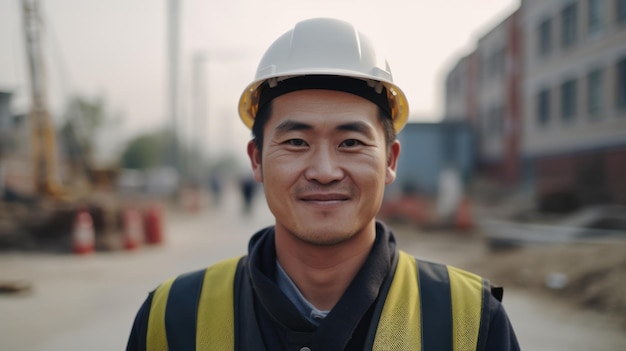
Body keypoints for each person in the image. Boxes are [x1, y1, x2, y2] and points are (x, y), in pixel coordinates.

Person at [126, 17, 520, 350]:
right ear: (256, 160)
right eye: (296, 142)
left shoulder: (469, 321)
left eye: (351, 142)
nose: (325, 170)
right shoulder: (173, 318)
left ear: (390, 160)